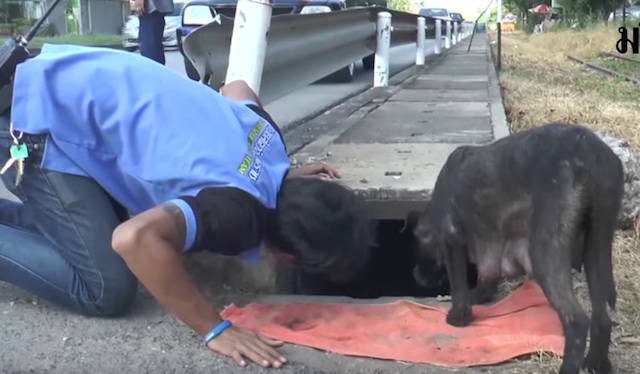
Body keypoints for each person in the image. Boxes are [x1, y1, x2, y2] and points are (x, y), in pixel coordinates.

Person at [0, 44, 375, 368]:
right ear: (290, 257)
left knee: (87, 242)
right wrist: (213, 328)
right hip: (30, 120)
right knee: (104, 288)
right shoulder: (240, 213)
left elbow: (237, 88)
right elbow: (133, 239)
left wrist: (281, 171)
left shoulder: (271, 146)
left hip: (51, 76)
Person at [136, 0, 173, 64]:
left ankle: (155, 72)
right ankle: (158, 72)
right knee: (154, 47)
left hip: (151, 9)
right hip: (153, 11)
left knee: (149, 49)